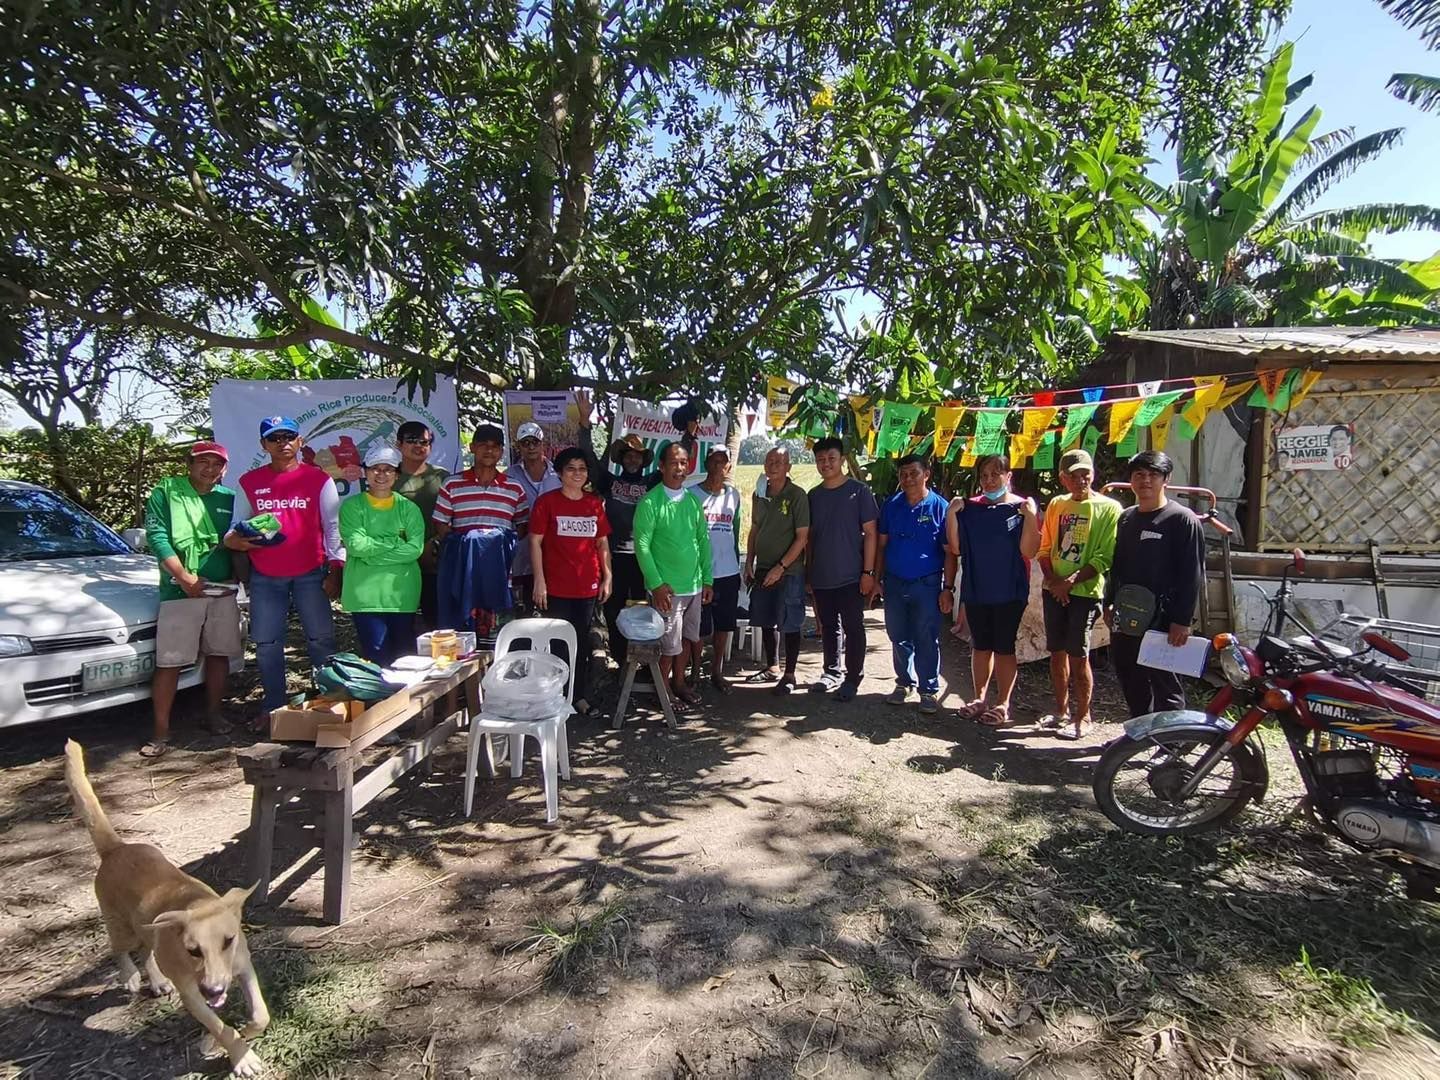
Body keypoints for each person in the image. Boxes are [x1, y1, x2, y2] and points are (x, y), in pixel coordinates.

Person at [226, 417, 344, 726]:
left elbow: (333, 528)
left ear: (300, 441)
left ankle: (328, 704)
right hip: (265, 575)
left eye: (289, 436)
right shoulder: (249, 482)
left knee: (321, 640)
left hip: (312, 572)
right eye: (274, 438)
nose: (283, 443)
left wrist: (336, 570)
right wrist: (235, 540)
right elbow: (234, 528)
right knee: (266, 644)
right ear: (263, 445)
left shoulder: (319, 479)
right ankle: (273, 707)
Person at [140, 442, 243, 757]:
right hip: (179, 590)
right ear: (190, 464)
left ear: (224, 469)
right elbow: (158, 537)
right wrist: (184, 577)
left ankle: (213, 715)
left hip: (222, 590)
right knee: (170, 661)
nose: (210, 469)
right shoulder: (167, 494)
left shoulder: (230, 498)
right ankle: (160, 732)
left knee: (218, 654)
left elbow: (239, 539)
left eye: (217, 464)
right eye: (203, 462)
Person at [1105, 450, 1206, 717]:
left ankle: (1171, 738)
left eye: (1153, 475)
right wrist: (1109, 602)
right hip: (1127, 614)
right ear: (1131, 480)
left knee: (1165, 683)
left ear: (1166, 479)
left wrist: (1181, 620)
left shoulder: (1182, 520)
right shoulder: (1126, 518)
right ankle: (1139, 732)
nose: (1145, 480)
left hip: (1164, 618)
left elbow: (1191, 573)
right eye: (1139, 474)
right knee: (1130, 676)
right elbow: (1116, 566)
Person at [945, 454, 1040, 728]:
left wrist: (1031, 517)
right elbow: (956, 547)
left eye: (995, 474)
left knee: (1004, 647)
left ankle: (1003, 703)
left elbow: (1029, 551)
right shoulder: (970, 508)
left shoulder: (1021, 508)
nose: (988, 481)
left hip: (1010, 591)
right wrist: (951, 514)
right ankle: (979, 698)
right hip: (977, 589)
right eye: (984, 475)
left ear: (1008, 476)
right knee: (981, 645)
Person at [1037, 448, 1121, 740]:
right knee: (1056, 652)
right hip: (1053, 589)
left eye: (1086, 474)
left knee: (1079, 654)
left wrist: (1070, 582)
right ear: (1063, 478)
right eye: (1074, 476)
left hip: (1085, 592)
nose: (1081, 480)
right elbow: (1045, 548)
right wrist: (1054, 581)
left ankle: (1083, 716)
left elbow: (1105, 556)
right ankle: (1060, 710)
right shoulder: (1057, 504)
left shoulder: (1109, 508)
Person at [529, 447, 613, 713]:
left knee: (581, 643)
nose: (577, 474)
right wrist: (539, 581)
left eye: (582, 469)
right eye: (571, 469)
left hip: (587, 587)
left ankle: (577, 697)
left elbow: (602, 544)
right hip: (556, 587)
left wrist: (607, 577)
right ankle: (555, 696)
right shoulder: (547, 503)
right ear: (559, 473)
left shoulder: (594, 504)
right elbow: (535, 542)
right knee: (557, 644)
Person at [632, 443, 714, 707]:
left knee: (687, 639)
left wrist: (707, 579)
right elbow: (642, 546)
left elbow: (702, 541)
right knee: (668, 646)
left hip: (694, 586)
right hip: (667, 590)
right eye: (674, 463)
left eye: (684, 463)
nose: (680, 468)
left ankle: (679, 683)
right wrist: (656, 584)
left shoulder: (692, 501)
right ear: (662, 466)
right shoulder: (650, 502)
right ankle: (663, 690)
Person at [432, 424, 526, 640]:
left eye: (495, 446)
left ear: (501, 451)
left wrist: (500, 547)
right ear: (472, 447)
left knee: (496, 634)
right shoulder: (452, 484)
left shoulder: (514, 488)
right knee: (462, 633)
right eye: (483, 445)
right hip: (463, 571)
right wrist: (465, 547)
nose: (489, 450)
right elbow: (441, 524)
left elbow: (522, 525)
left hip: (499, 572)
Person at [805, 437, 878, 702]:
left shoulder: (858, 491)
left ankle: (852, 678)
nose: (826, 464)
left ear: (842, 460)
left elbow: (871, 533)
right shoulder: (813, 496)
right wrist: (809, 572)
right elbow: (809, 538)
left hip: (851, 575)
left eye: (831, 458)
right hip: (822, 575)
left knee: (853, 627)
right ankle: (831, 671)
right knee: (828, 626)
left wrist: (868, 573)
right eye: (820, 460)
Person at [876, 454, 951, 714]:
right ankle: (904, 682)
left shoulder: (940, 507)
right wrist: (876, 579)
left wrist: (948, 589)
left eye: (913, 473)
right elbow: (881, 545)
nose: (908, 479)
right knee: (898, 635)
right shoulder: (891, 505)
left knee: (926, 636)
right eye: (903, 474)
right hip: (895, 582)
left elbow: (950, 552)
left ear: (926, 474)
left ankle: (928, 690)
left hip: (927, 584)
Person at [338, 446, 426, 666]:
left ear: (397, 474)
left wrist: (371, 555)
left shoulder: (409, 508)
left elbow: (415, 549)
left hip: (401, 595)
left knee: (405, 659)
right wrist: (395, 542)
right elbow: (356, 546)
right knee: (377, 658)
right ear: (365, 472)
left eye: (388, 469)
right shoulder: (352, 507)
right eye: (375, 468)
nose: (381, 474)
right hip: (365, 596)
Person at [744, 446, 811, 695]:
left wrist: (781, 567)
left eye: (779, 462)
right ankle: (772, 666)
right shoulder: (759, 494)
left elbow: (802, 537)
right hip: (763, 568)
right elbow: (754, 529)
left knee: (790, 621)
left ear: (788, 467)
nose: (773, 465)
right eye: (769, 461)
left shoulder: (797, 495)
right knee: (765, 619)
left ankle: (790, 674)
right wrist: (750, 560)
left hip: (789, 571)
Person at [686, 445, 744, 693]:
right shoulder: (691, 495)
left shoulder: (734, 496)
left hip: (728, 572)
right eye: (714, 461)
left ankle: (717, 672)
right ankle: (695, 671)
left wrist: (737, 568)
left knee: (724, 625)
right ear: (706, 463)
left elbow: (735, 532)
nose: (719, 466)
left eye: (723, 462)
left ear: (729, 466)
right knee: (698, 627)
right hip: (699, 574)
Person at [393, 421, 449, 627]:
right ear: (399, 444)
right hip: (398, 561)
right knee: (401, 625)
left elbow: (453, 516)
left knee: (437, 623)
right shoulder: (388, 476)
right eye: (412, 440)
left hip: (435, 561)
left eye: (424, 442)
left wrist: (434, 543)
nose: (418, 446)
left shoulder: (442, 477)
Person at [507, 420, 562, 614]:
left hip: (554, 553)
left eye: (535, 442)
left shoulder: (559, 475)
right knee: (523, 612)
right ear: (519, 446)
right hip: (521, 553)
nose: (531, 447)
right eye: (525, 442)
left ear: (543, 444)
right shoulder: (509, 476)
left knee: (552, 611)